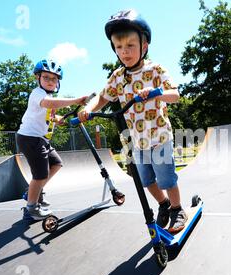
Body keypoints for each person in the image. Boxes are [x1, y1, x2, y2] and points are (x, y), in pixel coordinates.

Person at [78, 9, 187, 234]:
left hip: (159, 138)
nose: (124, 52)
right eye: (119, 47)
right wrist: (88, 108)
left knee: (167, 180)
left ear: (144, 46)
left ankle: (177, 208)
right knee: (147, 181)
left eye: (130, 46)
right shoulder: (118, 76)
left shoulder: (155, 69)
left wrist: (156, 93)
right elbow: (103, 97)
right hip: (138, 143)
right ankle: (164, 204)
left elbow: (175, 94)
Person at [17, 59, 88, 221]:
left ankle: (33, 193)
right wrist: (76, 100)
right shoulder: (38, 94)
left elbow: (46, 113)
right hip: (30, 138)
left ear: (58, 82)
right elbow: (48, 104)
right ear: (38, 78)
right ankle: (31, 209)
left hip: (41, 139)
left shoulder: (48, 95)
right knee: (40, 175)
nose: (50, 81)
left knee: (56, 163)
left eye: (54, 79)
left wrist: (57, 119)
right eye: (46, 77)